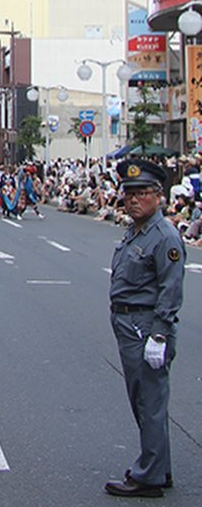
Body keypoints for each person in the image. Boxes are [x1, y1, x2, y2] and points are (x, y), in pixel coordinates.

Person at [104, 159, 185, 499]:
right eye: (128, 194)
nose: (133, 200)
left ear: (159, 196)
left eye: (142, 193)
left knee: (149, 402)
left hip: (145, 326)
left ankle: (149, 476)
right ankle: (158, 468)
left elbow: (170, 289)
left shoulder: (163, 235)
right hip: (129, 323)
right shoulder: (137, 230)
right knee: (144, 401)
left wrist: (160, 334)